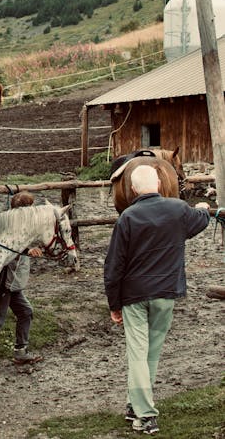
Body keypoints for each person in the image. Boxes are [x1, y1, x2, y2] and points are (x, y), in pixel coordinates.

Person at [104, 163, 210, 435]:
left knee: (138, 353)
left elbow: (113, 266)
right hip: (166, 293)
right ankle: (135, 405)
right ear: (160, 185)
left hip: (134, 295)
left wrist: (114, 304)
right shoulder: (178, 210)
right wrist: (202, 210)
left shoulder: (127, 217)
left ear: (133, 189)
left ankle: (145, 415)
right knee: (151, 352)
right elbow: (200, 220)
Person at [0, 191, 44, 370]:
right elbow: (7, 249)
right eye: (30, 208)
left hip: (14, 284)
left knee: (25, 312)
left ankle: (21, 351)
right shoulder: (9, 228)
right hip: (5, 282)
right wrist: (27, 251)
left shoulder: (20, 225)